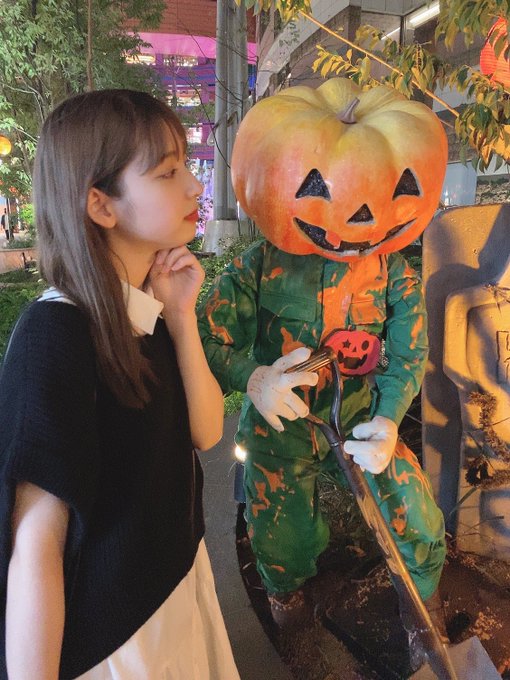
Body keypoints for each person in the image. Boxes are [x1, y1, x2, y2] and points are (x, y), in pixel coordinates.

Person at [198, 77, 449, 671]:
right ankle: (291, 614)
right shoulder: (257, 266)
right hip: (280, 428)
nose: (361, 217)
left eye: (396, 189)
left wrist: (388, 419)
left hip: (360, 419)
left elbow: (408, 350)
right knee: (280, 536)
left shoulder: (392, 272)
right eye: (315, 186)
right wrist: (253, 379)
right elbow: (209, 336)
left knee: (413, 511)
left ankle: (423, 611)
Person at [0, 89, 240, 680]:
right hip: (116, 645)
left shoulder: (143, 313)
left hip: (175, 592)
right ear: (101, 205)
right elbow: (35, 547)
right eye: (168, 172)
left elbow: (206, 432)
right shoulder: (56, 334)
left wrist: (181, 317)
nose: (195, 187)